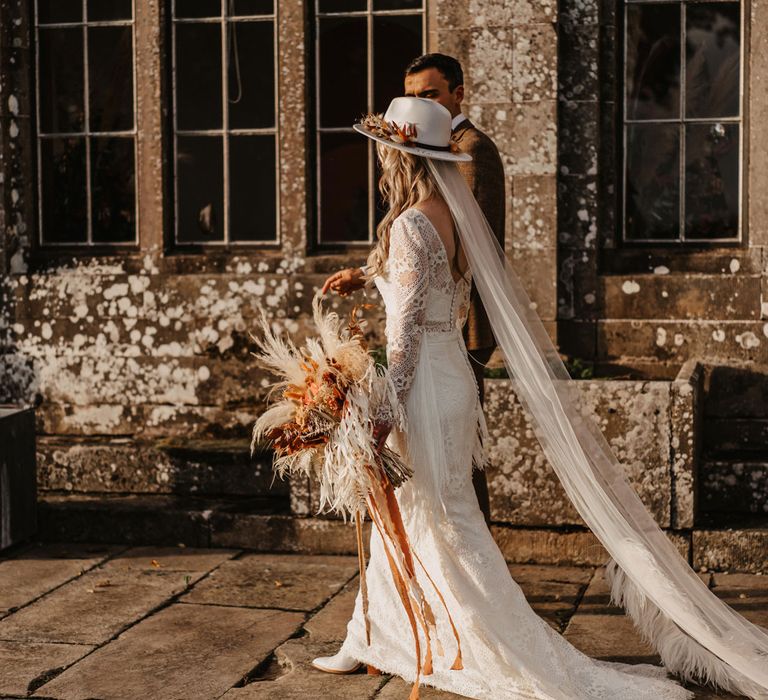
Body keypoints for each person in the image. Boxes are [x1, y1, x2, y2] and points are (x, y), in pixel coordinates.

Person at [311, 96, 768, 700]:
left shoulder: (406, 226)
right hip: (452, 383)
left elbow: (405, 334)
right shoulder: (450, 210)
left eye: (384, 155)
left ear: (401, 160)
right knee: (416, 516)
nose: (378, 165)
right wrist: (369, 275)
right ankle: (369, 636)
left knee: (444, 520)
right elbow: (429, 290)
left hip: (419, 387)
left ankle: (519, 650)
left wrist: (378, 414)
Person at [322, 53, 504, 524]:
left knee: (440, 503)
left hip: (443, 352)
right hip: (444, 353)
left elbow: (472, 251)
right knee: (451, 496)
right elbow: (439, 256)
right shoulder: (433, 199)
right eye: (414, 95)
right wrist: (373, 272)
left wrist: (381, 413)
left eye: (430, 93)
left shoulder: (473, 150)